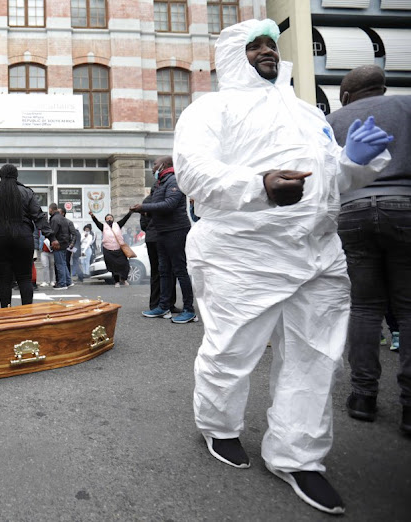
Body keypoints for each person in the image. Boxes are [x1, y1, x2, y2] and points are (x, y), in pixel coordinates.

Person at [172, 19, 392, 514]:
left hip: (318, 253)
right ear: (233, 57)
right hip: (243, 254)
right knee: (232, 350)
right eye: (254, 47)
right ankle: (219, 426)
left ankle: (298, 457)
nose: (267, 52)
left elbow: (330, 181)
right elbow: (195, 172)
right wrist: (260, 185)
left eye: (271, 45)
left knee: (315, 358)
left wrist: (352, 163)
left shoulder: (304, 112)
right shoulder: (212, 108)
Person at [326, 64, 410, 434]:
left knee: (363, 306)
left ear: (345, 95)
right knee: (408, 309)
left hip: (353, 210)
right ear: (383, 87)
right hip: (405, 205)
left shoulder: (330, 120)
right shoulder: (406, 108)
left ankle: (363, 396)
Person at [0, 164, 59, 308]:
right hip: (23, 237)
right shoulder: (27, 193)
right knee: (24, 278)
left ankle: (6, 312)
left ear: (0, 176)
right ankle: (26, 313)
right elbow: (39, 216)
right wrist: (51, 237)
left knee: (3, 279)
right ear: (16, 176)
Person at [131, 156, 196, 323]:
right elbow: (158, 205)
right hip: (162, 231)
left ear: (164, 165)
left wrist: (144, 207)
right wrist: (146, 211)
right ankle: (163, 307)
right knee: (164, 270)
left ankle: (189, 310)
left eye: (154, 164)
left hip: (176, 230)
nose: (152, 168)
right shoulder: (160, 182)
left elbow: (169, 204)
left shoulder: (174, 180)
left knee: (179, 270)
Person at [89, 210, 132, 287]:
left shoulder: (118, 225)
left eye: (111, 218)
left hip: (119, 249)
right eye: (107, 218)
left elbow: (125, 219)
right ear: (105, 220)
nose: (109, 219)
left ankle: (124, 279)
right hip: (108, 249)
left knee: (125, 265)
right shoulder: (103, 227)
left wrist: (130, 212)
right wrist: (92, 216)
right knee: (113, 266)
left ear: (113, 219)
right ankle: (117, 282)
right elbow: (96, 222)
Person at [48, 203, 72, 290]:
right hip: (64, 243)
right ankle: (68, 281)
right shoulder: (63, 218)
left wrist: (52, 240)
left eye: (49, 209)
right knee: (63, 263)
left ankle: (62, 283)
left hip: (58, 244)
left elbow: (52, 232)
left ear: (51, 209)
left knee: (59, 264)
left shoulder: (54, 219)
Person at [59, 207, 81, 284]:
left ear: (63, 213)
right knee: (60, 263)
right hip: (58, 246)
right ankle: (61, 279)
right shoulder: (56, 221)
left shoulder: (68, 222)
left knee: (66, 262)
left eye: (59, 212)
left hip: (66, 246)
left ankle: (68, 280)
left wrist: (71, 244)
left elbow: (74, 234)